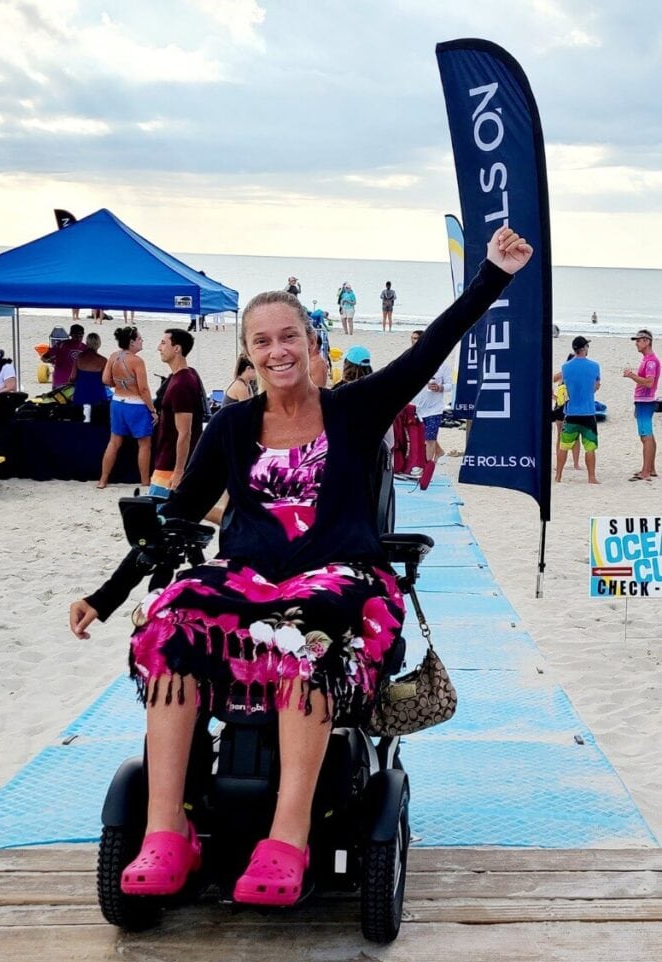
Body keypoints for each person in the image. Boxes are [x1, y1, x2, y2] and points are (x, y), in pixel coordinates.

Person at [69, 226, 532, 908]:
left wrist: (492, 274)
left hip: (338, 578)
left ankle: (287, 838)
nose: (277, 350)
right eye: (262, 341)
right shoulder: (231, 426)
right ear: (249, 353)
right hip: (250, 578)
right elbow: (178, 517)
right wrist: (108, 595)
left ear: (312, 344)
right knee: (168, 619)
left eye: (289, 337)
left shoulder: (354, 409)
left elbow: (431, 346)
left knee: (305, 631)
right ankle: (168, 832)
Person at [97, 326, 157, 489]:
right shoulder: (137, 361)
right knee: (144, 444)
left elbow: (105, 380)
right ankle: (145, 480)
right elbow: (143, 389)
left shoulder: (113, 356)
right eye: (139, 338)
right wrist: (152, 410)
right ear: (132, 342)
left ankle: (103, 480)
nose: (142, 341)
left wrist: (119, 384)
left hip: (117, 402)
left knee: (114, 442)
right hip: (135, 404)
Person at [149, 329, 205, 498]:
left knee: (158, 508)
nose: (159, 348)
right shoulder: (180, 377)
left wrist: (179, 470)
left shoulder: (182, 383)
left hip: (170, 464)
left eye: (163, 343)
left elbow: (185, 432)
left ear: (177, 348)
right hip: (167, 458)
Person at [555, 337, 601, 485]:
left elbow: (563, 385)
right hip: (588, 412)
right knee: (590, 447)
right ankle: (591, 477)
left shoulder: (566, 367)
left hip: (571, 413)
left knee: (564, 446)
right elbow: (595, 387)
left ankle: (558, 476)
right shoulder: (594, 366)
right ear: (584, 348)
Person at [623, 329, 660, 481]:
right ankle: (651, 468)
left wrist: (632, 376)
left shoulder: (651, 361)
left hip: (645, 401)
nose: (636, 344)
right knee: (648, 435)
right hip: (643, 401)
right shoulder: (647, 359)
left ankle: (646, 471)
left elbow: (649, 382)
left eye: (638, 340)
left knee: (646, 436)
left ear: (647, 341)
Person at [411, 330, 452, 464]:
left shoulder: (442, 365)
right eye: (412, 339)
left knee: (429, 439)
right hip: (416, 406)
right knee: (423, 436)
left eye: (417, 338)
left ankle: (426, 466)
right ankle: (439, 451)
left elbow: (450, 385)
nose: (414, 341)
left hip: (434, 408)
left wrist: (440, 388)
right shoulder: (411, 360)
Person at [552, 353, 581, 470]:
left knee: (576, 436)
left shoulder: (579, 375)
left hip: (573, 407)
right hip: (560, 408)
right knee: (561, 435)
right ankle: (559, 463)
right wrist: (554, 397)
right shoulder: (562, 374)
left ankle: (576, 464)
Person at [70, 333, 108, 419]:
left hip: (80, 394)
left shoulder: (79, 357)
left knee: (78, 420)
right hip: (97, 395)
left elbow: (73, 377)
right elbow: (105, 380)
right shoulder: (103, 360)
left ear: (87, 343)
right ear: (99, 344)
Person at [41, 324, 86, 388]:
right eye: (76, 336)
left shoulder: (60, 345)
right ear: (71, 335)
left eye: (80, 336)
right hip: (72, 383)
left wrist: (52, 361)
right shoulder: (85, 348)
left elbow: (44, 358)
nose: (78, 338)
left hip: (62, 382)